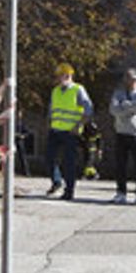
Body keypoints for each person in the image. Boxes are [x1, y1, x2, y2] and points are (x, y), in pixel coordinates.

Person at [46, 62, 92, 201]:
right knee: (49, 158)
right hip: (55, 130)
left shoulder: (78, 90)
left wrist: (79, 126)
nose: (58, 79)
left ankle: (69, 191)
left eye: (61, 76)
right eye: (58, 76)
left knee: (69, 163)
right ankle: (56, 181)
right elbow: (51, 109)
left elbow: (88, 109)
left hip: (70, 133)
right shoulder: (55, 91)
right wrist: (48, 122)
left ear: (68, 76)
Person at [109, 68, 136, 205]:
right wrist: (129, 108)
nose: (130, 82)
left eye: (133, 79)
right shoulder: (118, 93)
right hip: (121, 133)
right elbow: (113, 110)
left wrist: (124, 106)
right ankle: (121, 193)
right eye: (127, 78)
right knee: (120, 165)